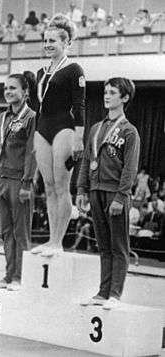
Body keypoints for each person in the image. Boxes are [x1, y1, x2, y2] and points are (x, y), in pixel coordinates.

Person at [77, 77, 140, 309]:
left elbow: (130, 168)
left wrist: (121, 196)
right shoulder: (96, 128)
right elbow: (86, 160)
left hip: (115, 194)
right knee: (103, 246)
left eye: (112, 92)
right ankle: (102, 292)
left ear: (124, 98)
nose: (106, 95)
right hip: (95, 191)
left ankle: (115, 294)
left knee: (119, 246)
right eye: (105, 91)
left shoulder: (129, 131)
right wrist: (82, 189)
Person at [30, 13, 86, 257]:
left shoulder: (74, 69)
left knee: (62, 186)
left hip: (65, 126)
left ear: (66, 43)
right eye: (45, 41)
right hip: (43, 127)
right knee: (49, 186)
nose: (48, 45)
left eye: (53, 41)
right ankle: (51, 239)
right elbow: (37, 106)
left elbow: (80, 105)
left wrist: (79, 138)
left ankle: (58, 241)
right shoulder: (41, 72)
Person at [0, 72, 36, 290]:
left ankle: (19, 277)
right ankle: (8, 275)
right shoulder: (2, 118)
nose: (8, 92)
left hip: (19, 181)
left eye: (13, 88)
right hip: (1, 181)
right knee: (5, 231)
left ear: (25, 92)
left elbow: (32, 153)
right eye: (6, 88)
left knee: (20, 232)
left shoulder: (32, 117)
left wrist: (27, 182)